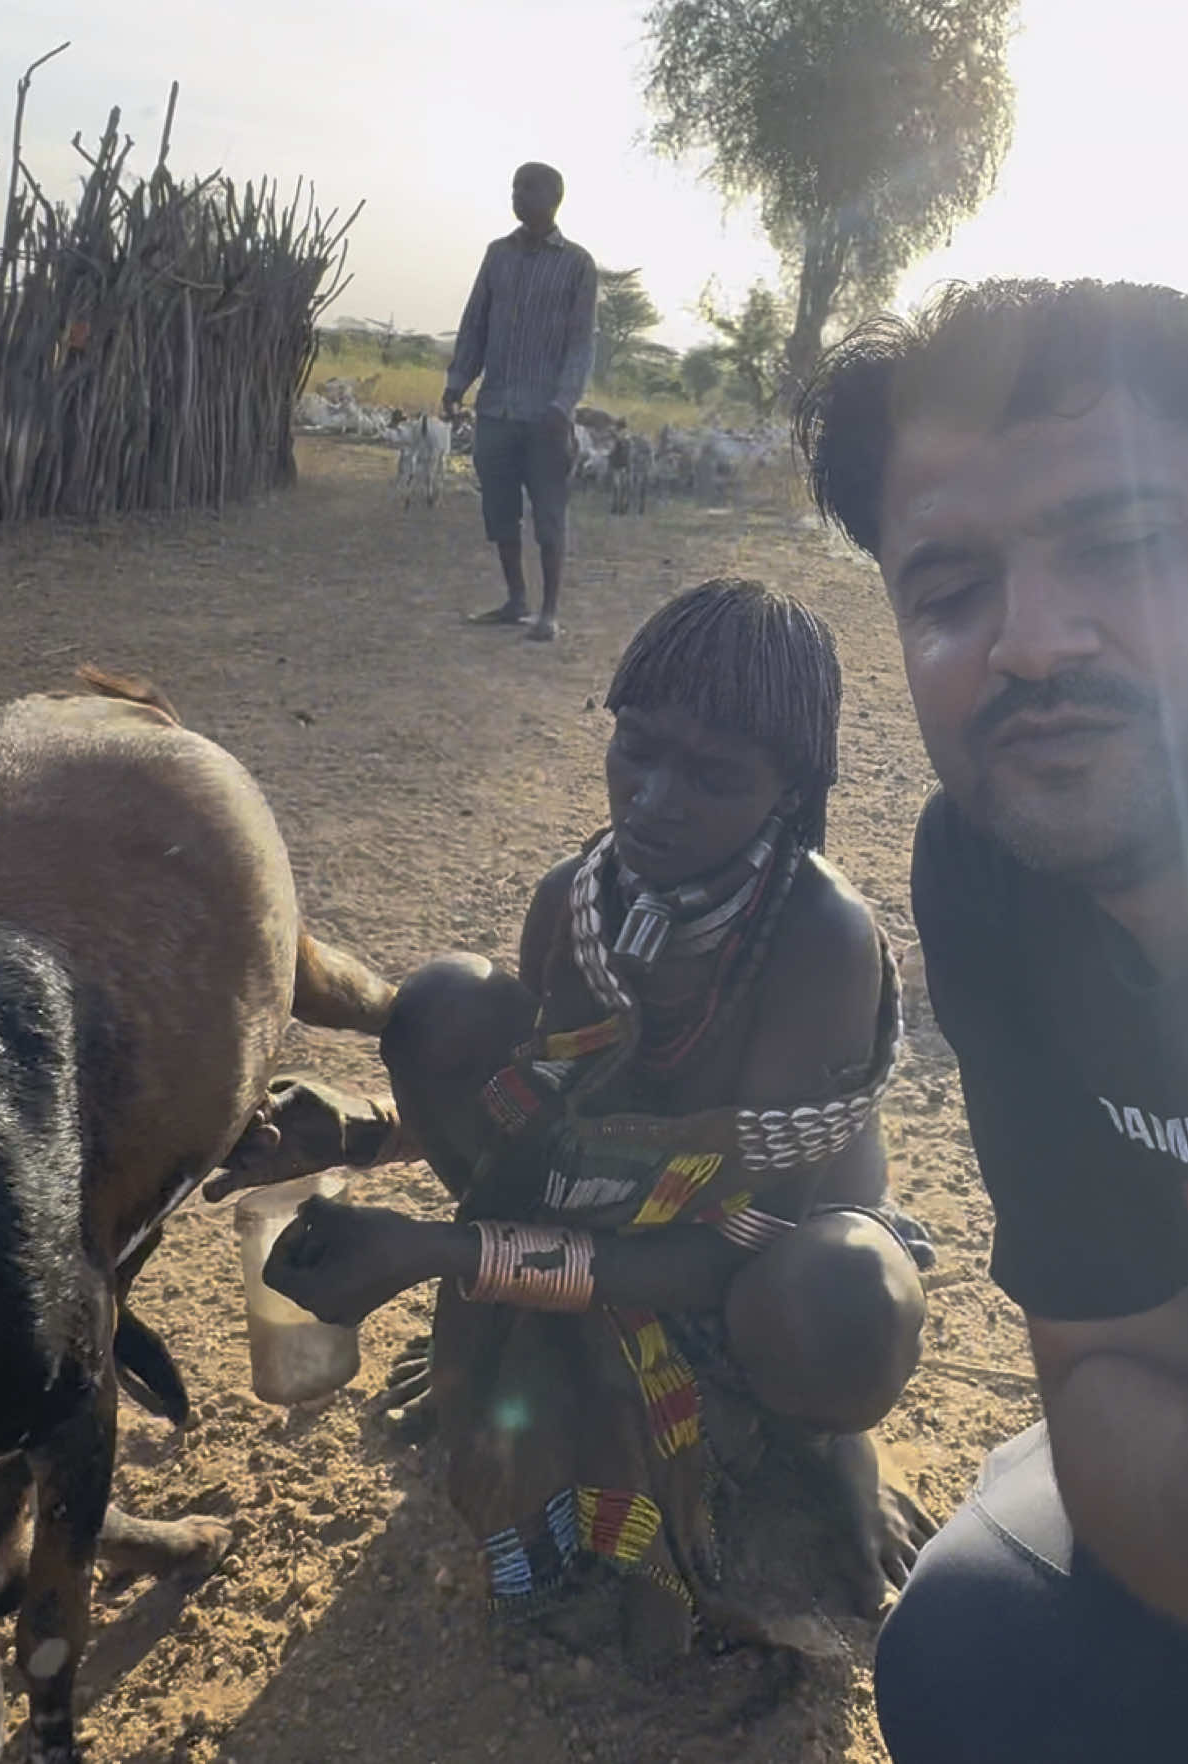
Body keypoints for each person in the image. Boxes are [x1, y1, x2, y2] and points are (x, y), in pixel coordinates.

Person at [212, 579, 932, 1667]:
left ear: (793, 789)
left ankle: (827, 1447)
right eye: (636, 750)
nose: (652, 799)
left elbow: (734, 1245)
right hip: (618, 1219)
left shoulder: (820, 943)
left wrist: (443, 1254)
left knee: (838, 1299)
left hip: (765, 1256)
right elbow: (549, 1125)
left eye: (714, 776)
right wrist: (359, 1133)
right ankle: (556, 1354)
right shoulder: (579, 902)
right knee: (445, 1008)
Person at [794, 279, 1188, 1761]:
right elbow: (1105, 1365)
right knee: (972, 1658)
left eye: (1129, 546)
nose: (1027, 642)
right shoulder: (991, 874)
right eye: (950, 588)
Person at [442, 162, 597, 642]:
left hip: (546, 416)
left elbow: (581, 343)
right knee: (499, 510)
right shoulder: (497, 256)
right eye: (514, 187)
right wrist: (457, 381)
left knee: (549, 513)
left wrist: (563, 404)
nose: (518, 196)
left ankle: (549, 612)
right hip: (496, 409)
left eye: (528, 188)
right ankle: (516, 600)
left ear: (554, 198)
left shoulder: (577, 264)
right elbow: (475, 324)